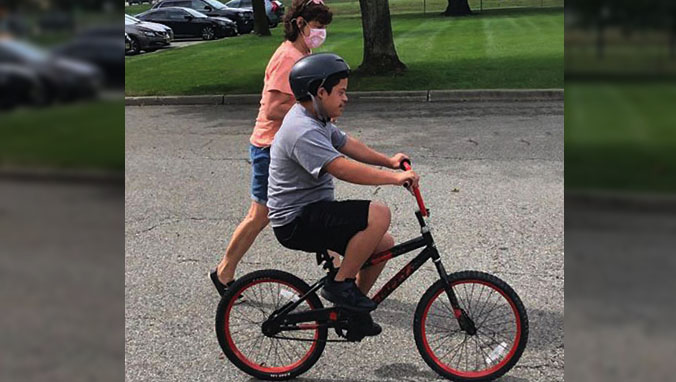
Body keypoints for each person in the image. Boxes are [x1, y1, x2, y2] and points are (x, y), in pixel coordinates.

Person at [267, 53, 420, 335]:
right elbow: (343, 169)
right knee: (379, 213)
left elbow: (347, 144)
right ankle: (340, 285)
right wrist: (395, 178)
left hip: (313, 211)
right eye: (341, 91)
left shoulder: (317, 117)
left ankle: (350, 311)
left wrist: (389, 161)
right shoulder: (302, 129)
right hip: (295, 221)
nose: (346, 98)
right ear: (320, 92)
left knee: (383, 245)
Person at [210, 0, 333, 296]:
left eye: (324, 28)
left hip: (294, 149)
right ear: (300, 24)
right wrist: (314, 108)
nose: (321, 33)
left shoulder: (303, 54)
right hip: (271, 149)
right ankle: (224, 272)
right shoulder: (287, 58)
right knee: (260, 215)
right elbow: (273, 108)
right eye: (317, 27)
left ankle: (338, 275)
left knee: (321, 207)